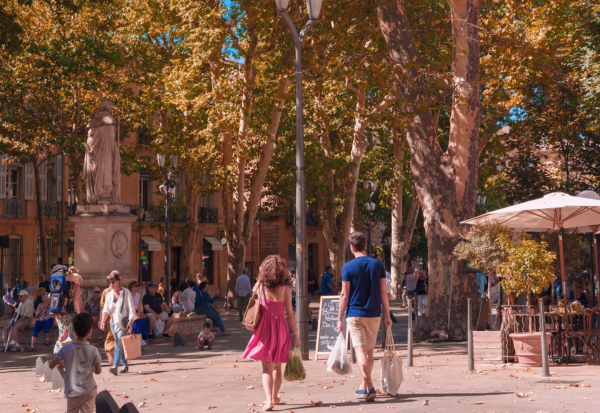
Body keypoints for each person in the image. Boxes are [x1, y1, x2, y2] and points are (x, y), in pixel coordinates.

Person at [337, 231, 392, 402]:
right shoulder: (378, 265)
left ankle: (369, 386)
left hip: (354, 315)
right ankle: (364, 386)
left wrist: (339, 318)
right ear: (366, 245)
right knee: (368, 352)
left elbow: (344, 295)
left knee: (360, 351)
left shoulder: (348, 267)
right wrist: (388, 315)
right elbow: (384, 292)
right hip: (374, 314)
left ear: (351, 247)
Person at [243, 255, 300, 411]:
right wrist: (296, 334)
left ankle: (268, 400)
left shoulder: (259, 287)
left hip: (264, 329)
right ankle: (275, 397)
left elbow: (253, 306)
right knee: (277, 367)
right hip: (281, 329)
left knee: (266, 368)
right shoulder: (286, 291)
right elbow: (290, 314)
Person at [50, 313, 102, 413]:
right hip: (89, 390)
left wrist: (61, 362)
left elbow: (51, 365)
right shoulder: (93, 350)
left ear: (73, 329)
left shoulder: (66, 348)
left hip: (72, 391)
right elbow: (98, 371)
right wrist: (92, 368)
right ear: (90, 330)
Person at [99, 271, 136, 375]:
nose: (111, 284)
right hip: (113, 323)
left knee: (118, 342)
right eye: (109, 282)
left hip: (123, 323)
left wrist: (131, 321)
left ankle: (115, 366)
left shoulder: (126, 292)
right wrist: (102, 321)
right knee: (120, 344)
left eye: (113, 281)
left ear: (118, 281)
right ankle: (125, 365)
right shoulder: (109, 294)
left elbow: (131, 308)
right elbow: (105, 309)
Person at [53, 266, 82, 354]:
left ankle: (59, 352)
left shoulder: (60, 284)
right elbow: (76, 300)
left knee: (62, 332)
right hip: (69, 313)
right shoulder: (76, 286)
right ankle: (61, 352)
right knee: (68, 334)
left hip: (58, 311)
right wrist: (79, 312)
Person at [99, 280, 114, 364]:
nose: (112, 283)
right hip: (109, 317)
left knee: (116, 337)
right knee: (111, 334)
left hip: (118, 318)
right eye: (111, 282)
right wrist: (101, 320)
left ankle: (113, 355)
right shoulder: (106, 291)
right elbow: (102, 307)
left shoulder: (121, 291)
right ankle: (110, 354)